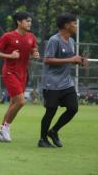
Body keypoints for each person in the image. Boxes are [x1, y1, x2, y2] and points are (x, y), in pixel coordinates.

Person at [38, 13, 88, 148]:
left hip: (66, 83)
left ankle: (53, 131)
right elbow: (47, 60)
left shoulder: (71, 41)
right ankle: (42, 139)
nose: (76, 26)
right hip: (52, 83)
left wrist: (79, 61)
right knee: (51, 111)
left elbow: (69, 59)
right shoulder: (54, 40)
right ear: (66, 25)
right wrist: (71, 59)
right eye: (74, 23)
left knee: (73, 108)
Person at [0, 11, 40, 142]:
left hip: (23, 74)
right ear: (19, 22)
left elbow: (33, 50)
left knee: (13, 103)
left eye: (30, 21)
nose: (29, 23)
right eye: (27, 21)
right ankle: (6, 128)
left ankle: (0, 131)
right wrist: (10, 56)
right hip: (10, 72)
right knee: (20, 101)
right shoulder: (8, 36)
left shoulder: (31, 37)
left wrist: (35, 53)